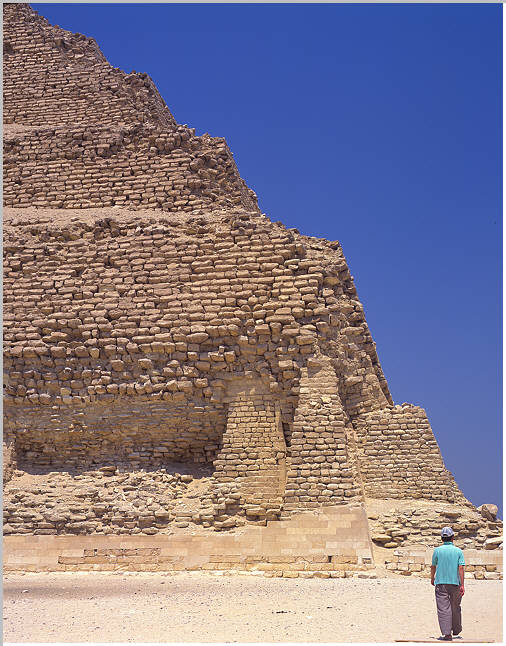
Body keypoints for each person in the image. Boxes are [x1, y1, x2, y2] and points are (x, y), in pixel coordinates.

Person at [431, 526, 465, 641]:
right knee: (455, 606)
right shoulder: (458, 551)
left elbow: (433, 566)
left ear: (442, 538)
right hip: (455, 583)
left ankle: (447, 634)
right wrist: (462, 584)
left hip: (441, 583)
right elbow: (461, 568)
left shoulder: (437, 551)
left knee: (443, 608)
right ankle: (456, 630)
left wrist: (432, 578)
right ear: (453, 538)